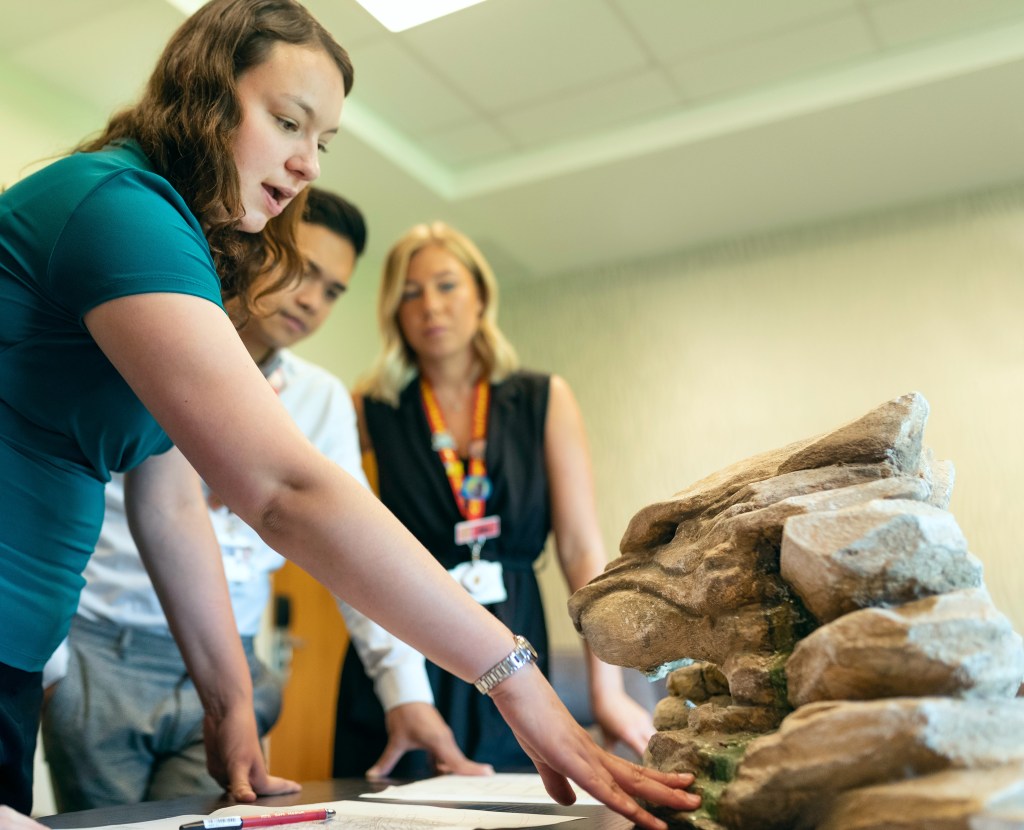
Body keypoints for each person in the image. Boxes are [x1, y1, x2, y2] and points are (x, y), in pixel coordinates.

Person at [0, 0, 700, 826]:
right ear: (203, 95)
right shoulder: (122, 207)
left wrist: (228, 700)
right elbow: (284, 491)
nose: (307, 165)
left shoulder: (163, 238)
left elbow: (170, 499)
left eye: (322, 142)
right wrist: (513, 676)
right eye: (287, 122)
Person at [38, 188, 484, 809]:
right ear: (256, 248)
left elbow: (349, 548)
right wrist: (54, 669)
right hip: (105, 654)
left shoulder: (321, 400)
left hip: (235, 664)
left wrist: (405, 694)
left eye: (333, 290)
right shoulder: (145, 339)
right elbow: (58, 497)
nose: (312, 300)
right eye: (302, 270)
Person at [333, 221, 657, 779]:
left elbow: (580, 549)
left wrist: (606, 689)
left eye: (446, 285)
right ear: (393, 312)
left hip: (514, 646)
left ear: (481, 296)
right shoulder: (370, 408)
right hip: (410, 651)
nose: (430, 306)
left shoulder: (542, 399)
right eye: (410, 293)